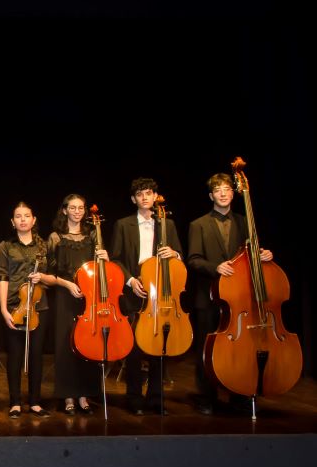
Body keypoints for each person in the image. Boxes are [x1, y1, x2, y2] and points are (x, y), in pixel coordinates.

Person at [187, 173, 272, 415]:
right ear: (211, 196)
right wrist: (215, 267)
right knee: (208, 348)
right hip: (209, 296)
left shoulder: (246, 222)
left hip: (239, 298)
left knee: (239, 348)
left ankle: (239, 394)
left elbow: (251, 255)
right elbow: (193, 260)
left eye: (227, 189)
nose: (223, 193)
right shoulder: (198, 224)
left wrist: (262, 254)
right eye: (218, 190)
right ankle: (206, 397)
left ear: (233, 193)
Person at [110, 177, 182, 415]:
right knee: (134, 349)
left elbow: (179, 257)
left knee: (160, 347)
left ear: (154, 197)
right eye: (140, 194)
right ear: (134, 199)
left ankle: (156, 398)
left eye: (149, 193)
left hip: (161, 293)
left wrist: (173, 253)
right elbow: (116, 259)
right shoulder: (123, 224)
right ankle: (134, 398)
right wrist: (130, 281)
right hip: (135, 290)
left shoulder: (167, 224)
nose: (145, 197)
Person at [47, 194, 108, 415]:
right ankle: (68, 396)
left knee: (88, 344)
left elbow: (102, 272)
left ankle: (84, 394)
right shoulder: (55, 237)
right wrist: (67, 285)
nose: (77, 211)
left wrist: (105, 258)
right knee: (66, 346)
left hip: (89, 298)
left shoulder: (93, 235)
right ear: (64, 210)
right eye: (72, 207)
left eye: (80, 208)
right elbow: (49, 274)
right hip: (66, 296)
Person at [0, 203, 57, 418]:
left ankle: (35, 402)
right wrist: (3, 309)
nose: (23, 219)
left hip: (40, 307)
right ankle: (14, 402)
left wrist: (42, 278)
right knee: (14, 355)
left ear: (34, 219)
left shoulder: (43, 247)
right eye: (18, 217)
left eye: (26, 216)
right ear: (13, 222)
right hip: (14, 305)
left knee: (36, 356)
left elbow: (53, 278)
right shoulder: (5, 246)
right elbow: (2, 277)